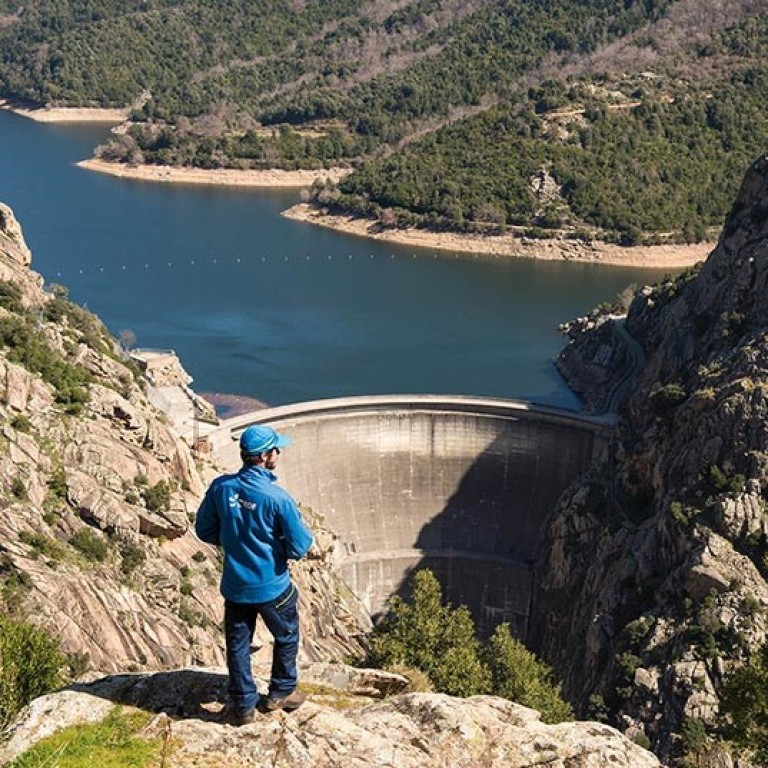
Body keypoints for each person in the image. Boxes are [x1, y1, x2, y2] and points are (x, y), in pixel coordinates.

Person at [195, 423, 313, 725]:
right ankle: (281, 692)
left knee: (237, 644)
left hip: (236, 585)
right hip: (272, 586)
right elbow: (300, 546)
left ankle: (244, 705)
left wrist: (234, 540)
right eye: (276, 449)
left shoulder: (221, 488)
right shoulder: (277, 498)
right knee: (286, 635)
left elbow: (204, 530)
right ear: (265, 456)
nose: (279, 453)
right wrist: (276, 550)